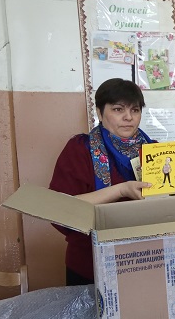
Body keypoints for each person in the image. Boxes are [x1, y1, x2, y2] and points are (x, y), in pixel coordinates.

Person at [49, 78, 154, 286]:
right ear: (99, 112)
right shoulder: (80, 150)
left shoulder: (155, 151)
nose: (128, 117)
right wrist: (121, 190)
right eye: (118, 109)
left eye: (135, 110)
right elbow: (59, 208)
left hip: (145, 260)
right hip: (90, 263)